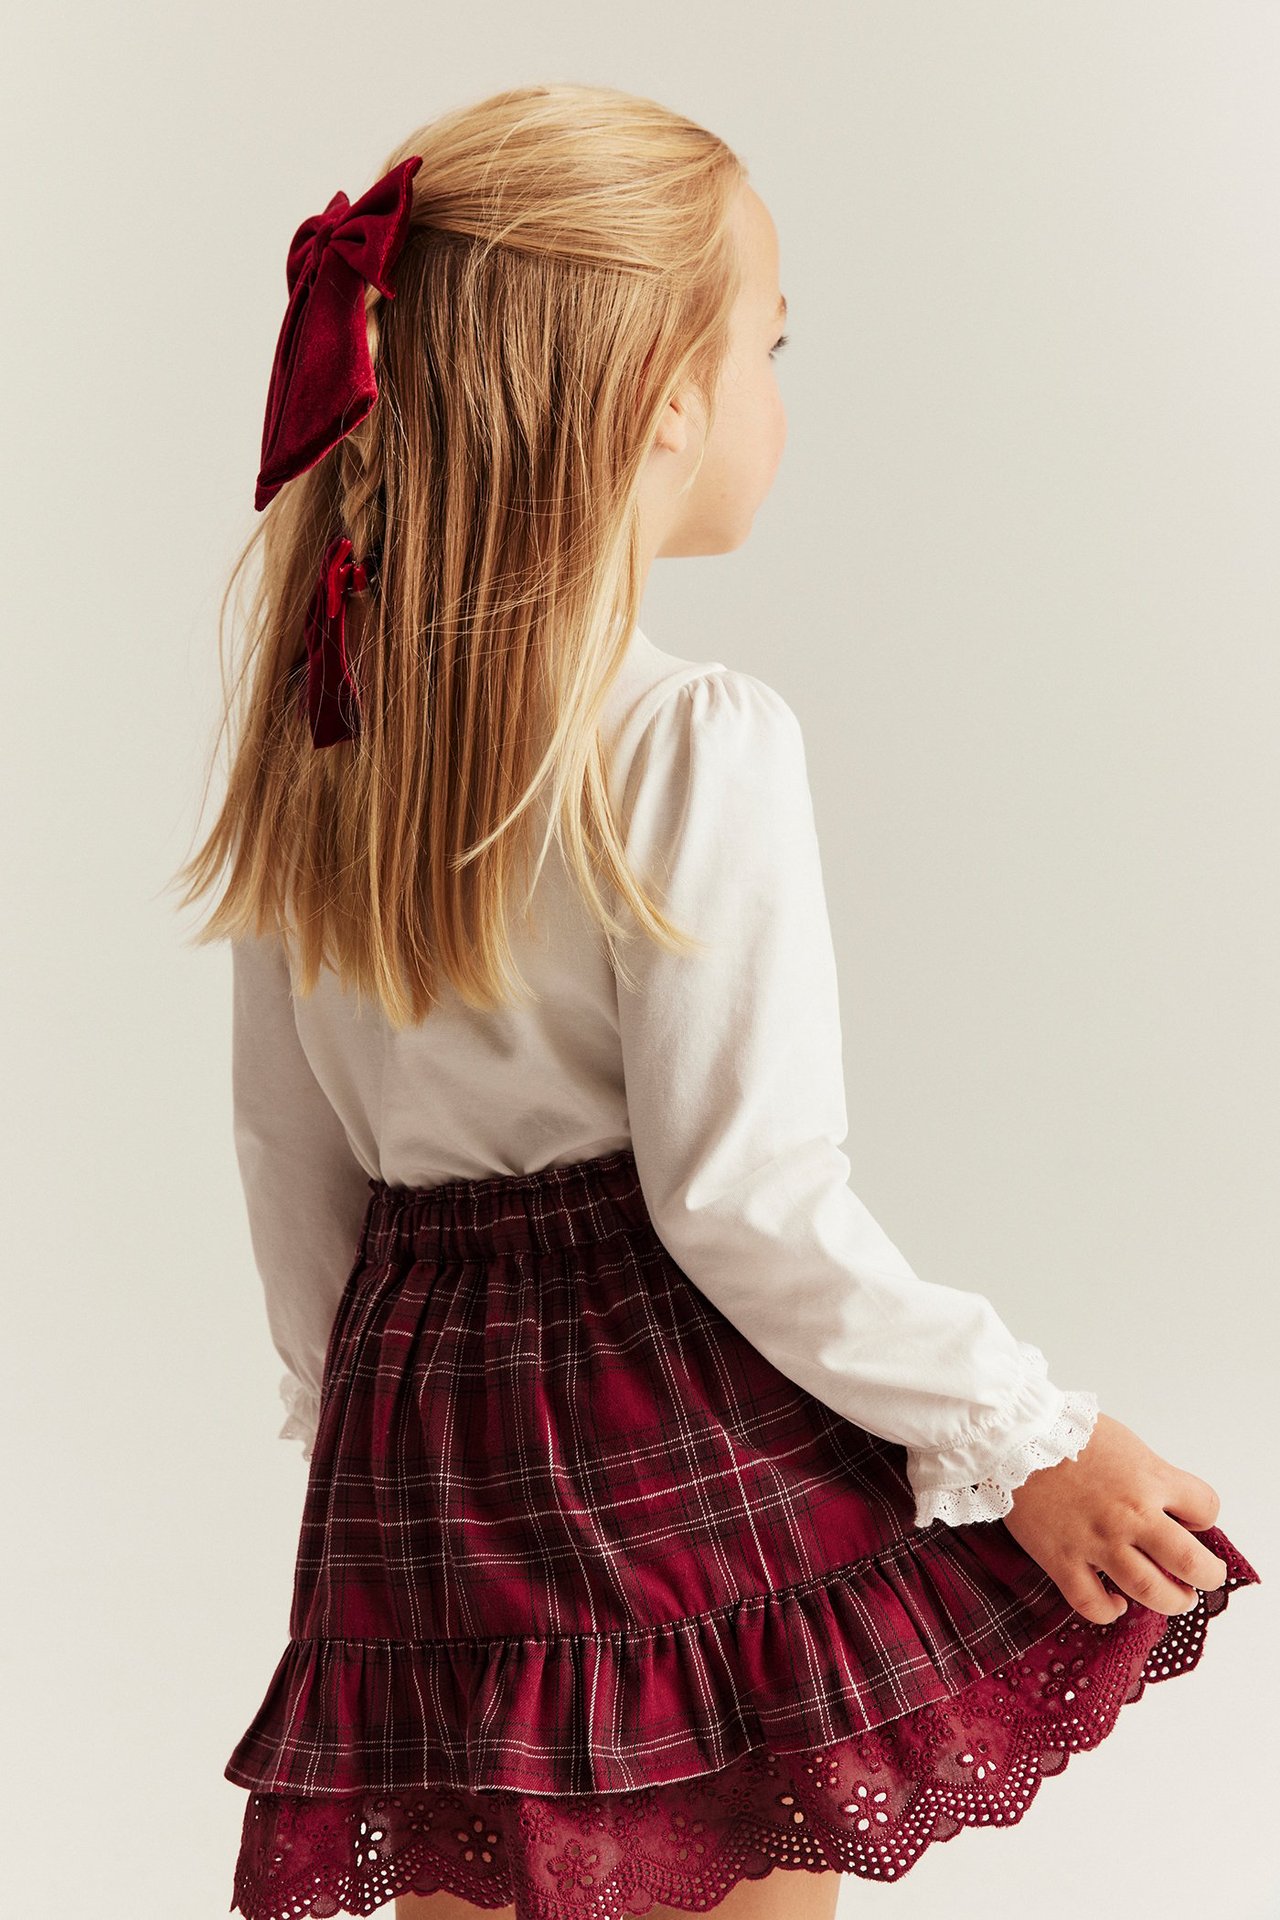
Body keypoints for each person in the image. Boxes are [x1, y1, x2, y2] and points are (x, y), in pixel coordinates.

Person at [172, 82, 1259, 1920]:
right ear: (661, 401)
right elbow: (744, 1199)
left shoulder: (323, 734)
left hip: (412, 1413)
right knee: (728, 1860)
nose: (775, 398)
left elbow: (291, 1162)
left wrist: (357, 1420)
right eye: (768, 344)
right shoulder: (688, 740)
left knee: (454, 1862)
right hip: (654, 1403)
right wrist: (1027, 1429)